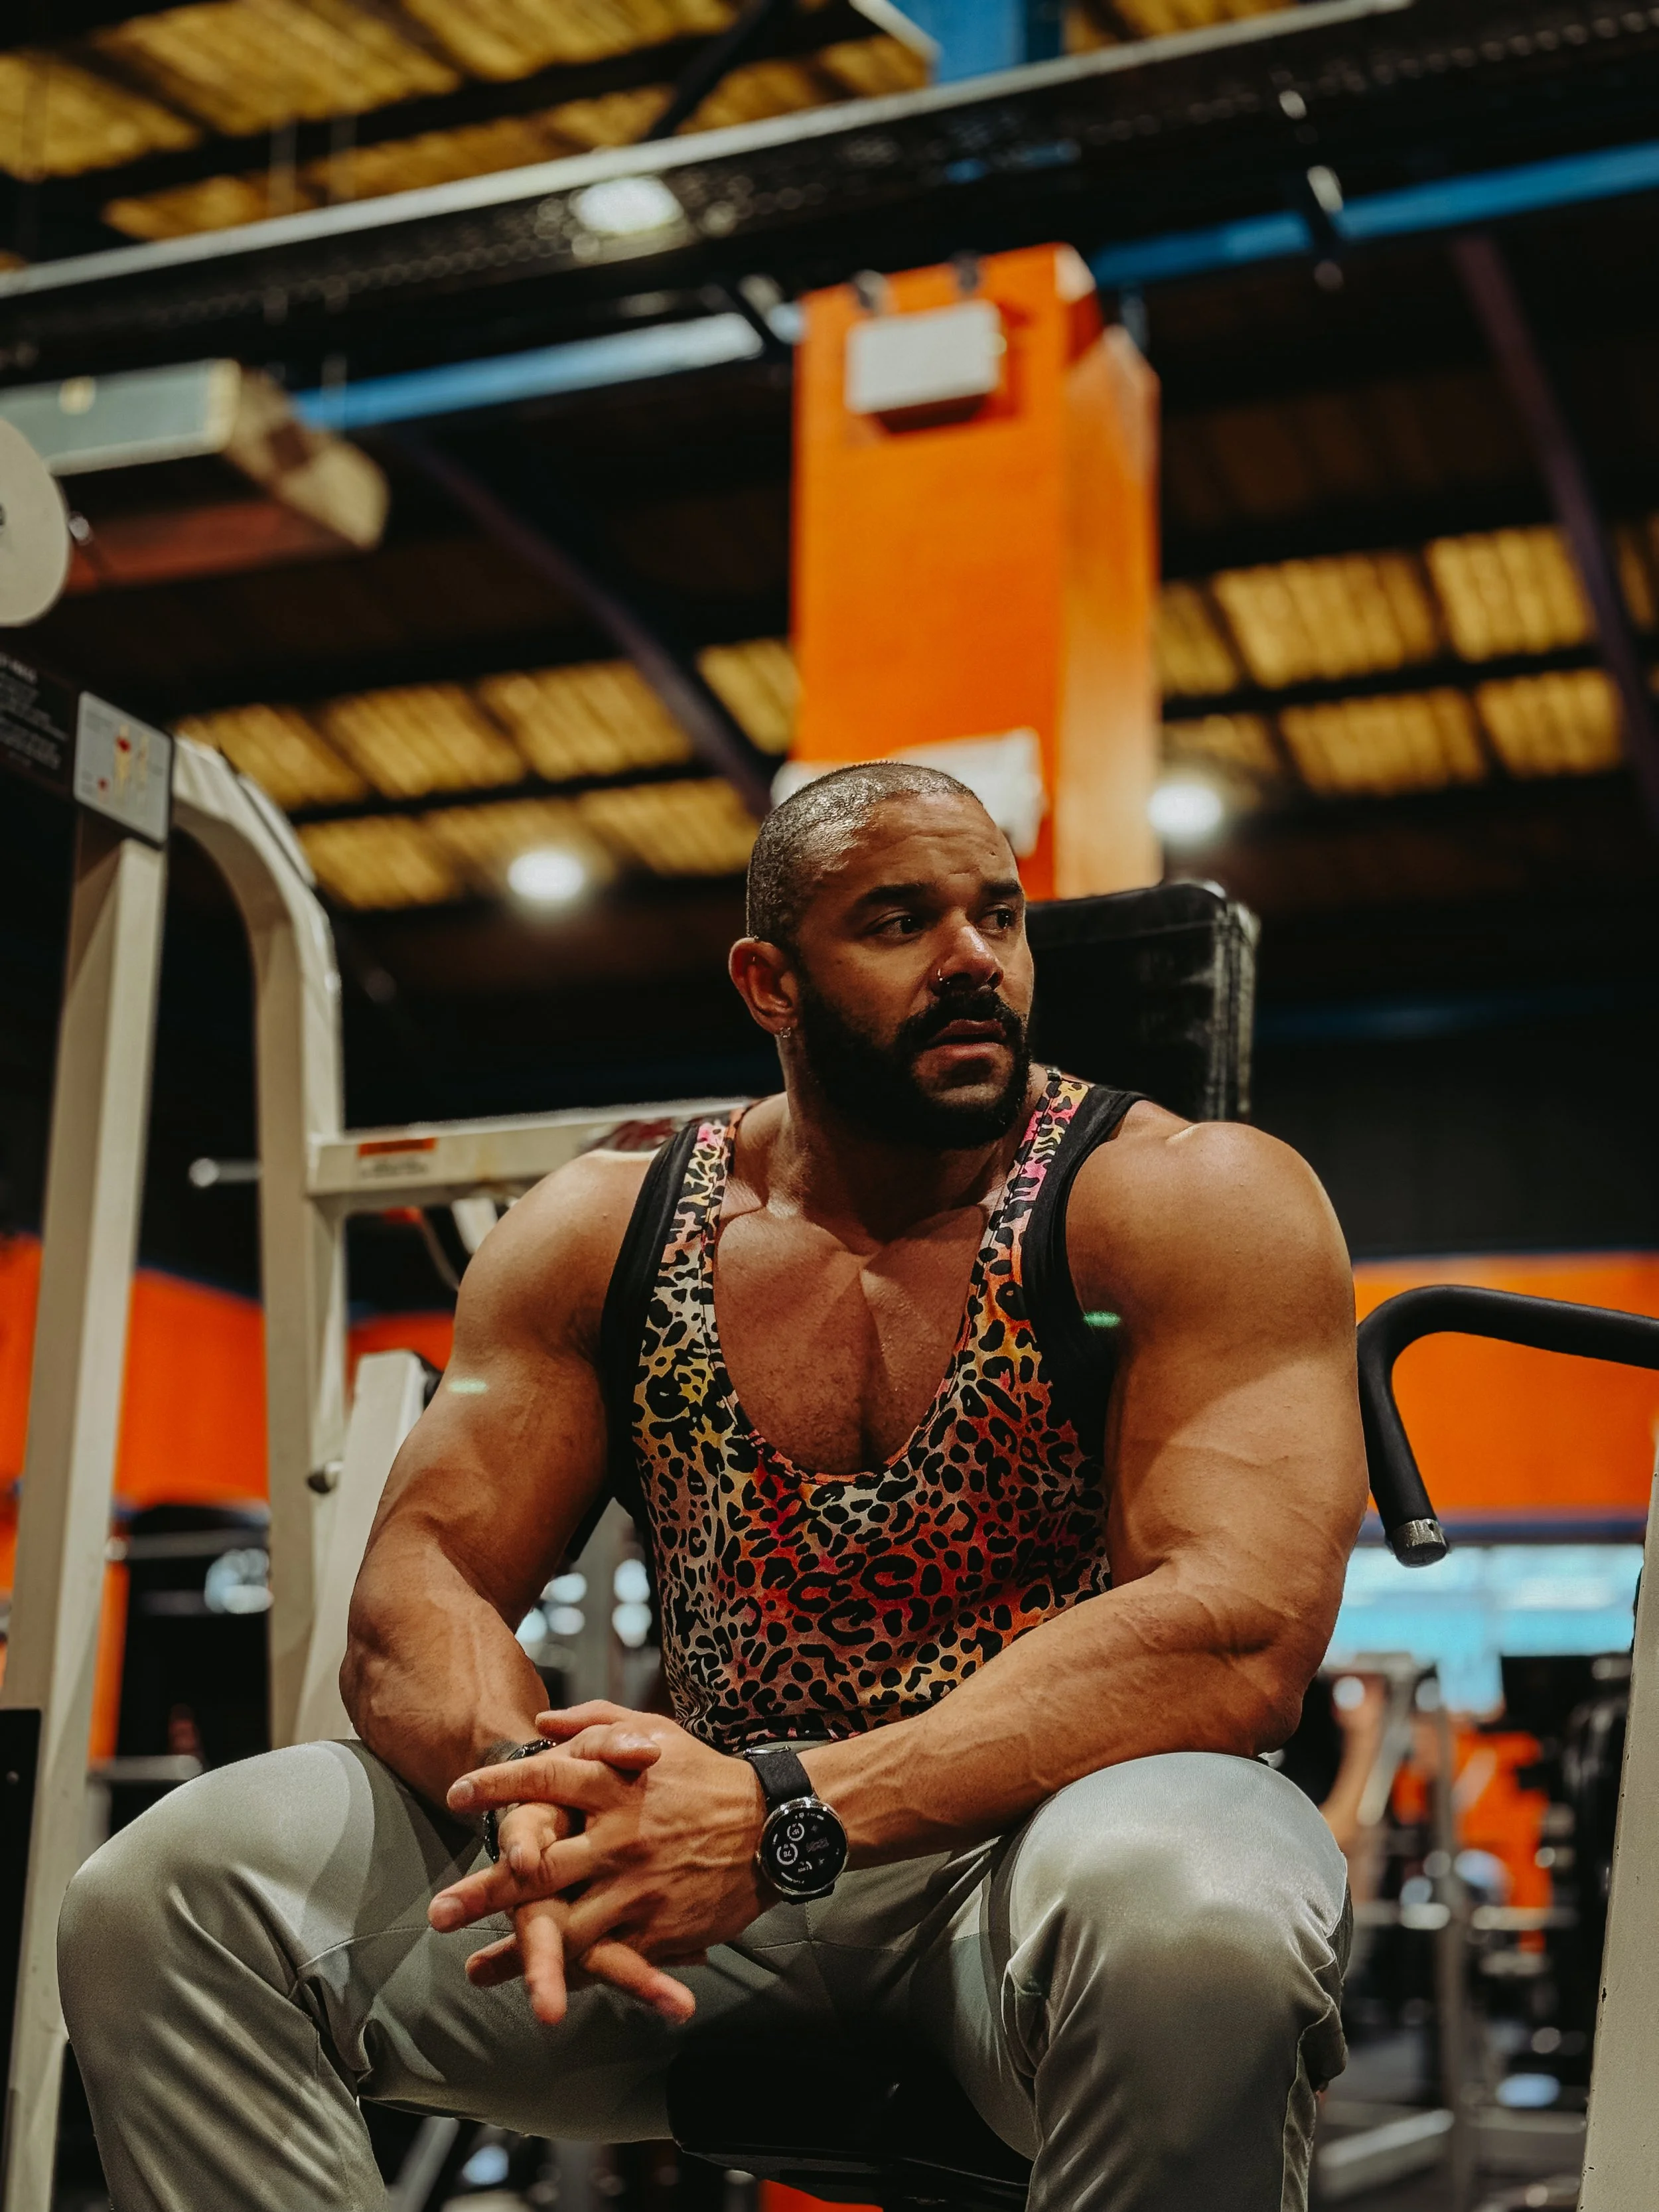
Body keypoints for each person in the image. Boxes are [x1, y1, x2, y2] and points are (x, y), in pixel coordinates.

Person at [60, 763, 1367, 2212]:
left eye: (997, 914)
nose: (972, 961)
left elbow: (1235, 1631)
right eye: (898, 921)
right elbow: (418, 1585)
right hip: (686, 1897)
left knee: (1197, 1918)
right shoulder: (602, 1230)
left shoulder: (1185, 1198)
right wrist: (533, 1799)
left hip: (1037, 1868)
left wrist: (783, 1810)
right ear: (768, 980)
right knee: (165, 1898)